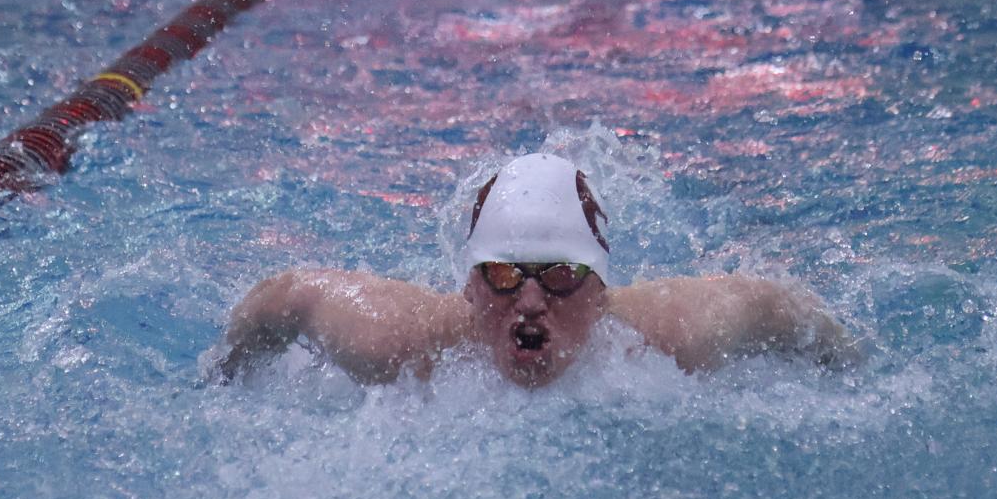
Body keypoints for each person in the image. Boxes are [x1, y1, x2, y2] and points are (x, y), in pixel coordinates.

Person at [211, 153, 861, 388]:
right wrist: (223, 380)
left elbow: (779, 306)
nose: (527, 302)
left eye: (558, 276)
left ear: (601, 289)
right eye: (500, 276)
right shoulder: (396, 342)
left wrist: (856, 373)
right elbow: (282, 295)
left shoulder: (676, 336)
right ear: (467, 285)